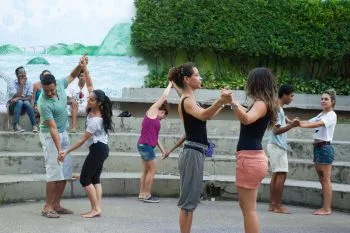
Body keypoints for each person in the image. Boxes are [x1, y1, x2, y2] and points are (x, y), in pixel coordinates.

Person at [168, 62, 232, 233]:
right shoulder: (187, 100)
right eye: (197, 75)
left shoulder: (188, 98)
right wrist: (220, 100)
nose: (200, 77)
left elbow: (206, 115)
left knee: (190, 202)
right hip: (192, 153)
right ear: (187, 79)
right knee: (188, 203)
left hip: (195, 152)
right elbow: (204, 115)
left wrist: (223, 103)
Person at [230, 68, 279, 233]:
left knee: (249, 210)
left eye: (249, 80)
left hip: (250, 160)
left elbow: (246, 119)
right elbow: (248, 114)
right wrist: (234, 103)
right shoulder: (262, 103)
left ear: (255, 83)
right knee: (247, 208)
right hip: (253, 159)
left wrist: (233, 104)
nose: (246, 83)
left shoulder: (260, 103)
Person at [38, 56, 87, 218]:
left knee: (65, 171)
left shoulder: (59, 83)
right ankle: (47, 207)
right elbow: (52, 128)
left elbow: (72, 76)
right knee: (54, 171)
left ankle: (56, 204)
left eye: (52, 90)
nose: (50, 93)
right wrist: (60, 150)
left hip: (63, 132)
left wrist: (80, 66)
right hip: (50, 135)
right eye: (46, 91)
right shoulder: (43, 103)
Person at [58, 89, 113, 218]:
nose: (88, 100)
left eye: (92, 100)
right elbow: (90, 86)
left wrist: (66, 151)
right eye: (89, 98)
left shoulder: (95, 121)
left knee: (85, 179)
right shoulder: (95, 112)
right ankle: (97, 207)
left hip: (98, 149)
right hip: (102, 148)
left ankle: (95, 209)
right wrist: (85, 70)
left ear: (99, 103)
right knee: (95, 179)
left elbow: (82, 140)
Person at [299, 89, 337, 215]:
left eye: (326, 99)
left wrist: (300, 125)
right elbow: (309, 121)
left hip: (325, 148)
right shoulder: (321, 114)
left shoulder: (331, 115)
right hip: (318, 148)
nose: (323, 101)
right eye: (322, 99)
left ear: (332, 101)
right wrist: (293, 122)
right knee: (322, 179)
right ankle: (325, 207)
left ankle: (327, 209)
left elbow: (317, 124)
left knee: (325, 179)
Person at [137, 81, 172, 203]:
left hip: (144, 145)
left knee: (146, 170)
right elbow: (164, 97)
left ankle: (142, 193)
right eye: (164, 115)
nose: (164, 118)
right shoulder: (152, 111)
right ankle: (147, 195)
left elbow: (156, 138)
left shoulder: (154, 121)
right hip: (146, 146)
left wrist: (163, 151)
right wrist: (170, 84)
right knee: (153, 170)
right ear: (161, 110)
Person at [267, 84, 299, 214]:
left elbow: (281, 120)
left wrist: (288, 121)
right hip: (277, 146)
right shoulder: (277, 108)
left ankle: (272, 204)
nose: (292, 98)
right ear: (284, 95)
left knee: (276, 174)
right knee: (281, 174)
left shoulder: (278, 107)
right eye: (291, 96)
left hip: (275, 146)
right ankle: (278, 206)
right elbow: (276, 130)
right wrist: (291, 125)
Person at [8, 66, 38, 132]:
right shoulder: (12, 83)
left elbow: (29, 97)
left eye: (24, 73)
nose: (23, 75)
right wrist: (21, 85)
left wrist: (18, 98)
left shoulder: (29, 83)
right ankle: (15, 125)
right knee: (20, 102)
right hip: (12, 106)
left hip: (24, 107)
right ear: (16, 75)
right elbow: (15, 96)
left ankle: (34, 126)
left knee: (26, 102)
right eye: (21, 74)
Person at [66, 67, 93, 132]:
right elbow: (67, 100)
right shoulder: (72, 86)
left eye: (85, 76)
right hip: (74, 109)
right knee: (74, 103)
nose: (83, 78)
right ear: (78, 77)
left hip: (85, 109)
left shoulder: (89, 87)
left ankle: (90, 128)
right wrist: (71, 101)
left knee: (93, 104)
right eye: (81, 76)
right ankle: (74, 127)